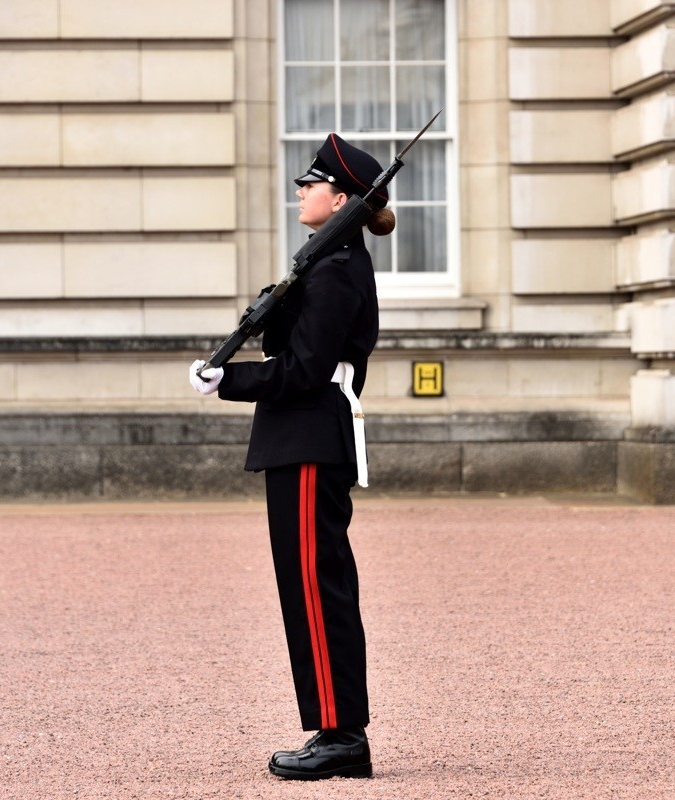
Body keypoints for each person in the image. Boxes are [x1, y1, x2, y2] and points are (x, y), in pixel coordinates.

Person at [188, 133, 395, 780]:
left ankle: (341, 737)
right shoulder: (323, 265)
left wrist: (232, 382)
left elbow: (304, 370)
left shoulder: (336, 272)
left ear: (342, 197)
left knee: (315, 586)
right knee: (308, 586)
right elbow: (292, 342)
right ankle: (335, 729)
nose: (301, 192)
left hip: (310, 435)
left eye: (312, 184)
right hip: (302, 437)